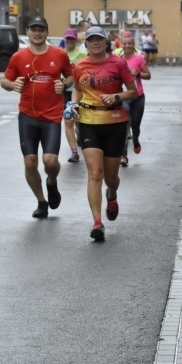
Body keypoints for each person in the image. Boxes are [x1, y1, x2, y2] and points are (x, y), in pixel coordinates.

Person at [68, 26, 138, 241]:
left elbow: (133, 90)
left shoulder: (118, 63)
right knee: (95, 173)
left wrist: (117, 96)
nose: (95, 43)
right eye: (91, 40)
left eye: (99, 39)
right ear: (86, 44)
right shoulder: (80, 65)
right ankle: (97, 222)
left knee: (111, 177)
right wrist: (73, 105)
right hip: (89, 122)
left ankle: (112, 194)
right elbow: (78, 89)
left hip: (115, 122)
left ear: (105, 42)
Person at [0, 16, 73, 218]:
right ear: (28, 32)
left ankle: (51, 181)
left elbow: (71, 75)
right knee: (30, 162)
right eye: (33, 29)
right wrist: (12, 85)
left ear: (47, 32)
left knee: (50, 162)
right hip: (27, 115)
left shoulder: (59, 55)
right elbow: (4, 80)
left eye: (41, 29)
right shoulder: (18, 57)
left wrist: (64, 84)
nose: (37, 33)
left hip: (51, 116)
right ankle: (41, 202)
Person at [119, 31, 151, 167]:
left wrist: (137, 73)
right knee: (124, 126)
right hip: (124, 96)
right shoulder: (118, 59)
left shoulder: (139, 59)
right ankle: (124, 155)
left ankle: (136, 138)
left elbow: (148, 75)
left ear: (133, 45)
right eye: (125, 44)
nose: (127, 46)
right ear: (121, 45)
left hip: (138, 96)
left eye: (130, 44)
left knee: (135, 125)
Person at [61, 28, 87, 163]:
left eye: (72, 39)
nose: (69, 41)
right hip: (64, 91)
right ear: (64, 39)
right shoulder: (60, 54)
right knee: (68, 119)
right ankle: (74, 152)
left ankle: (80, 134)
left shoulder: (82, 54)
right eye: (67, 39)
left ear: (75, 40)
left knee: (79, 120)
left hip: (78, 91)